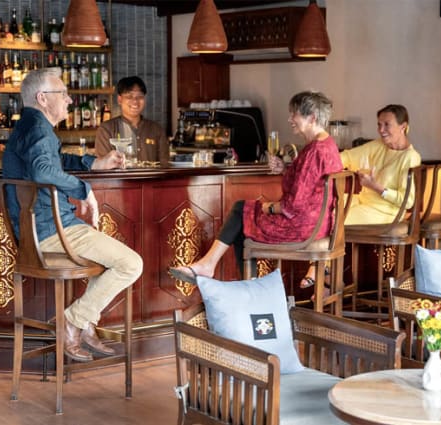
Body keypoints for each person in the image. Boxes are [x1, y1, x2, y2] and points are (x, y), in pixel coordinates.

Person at [2, 68, 143, 362]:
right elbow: (43, 170)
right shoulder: (39, 129)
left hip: (39, 232)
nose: (69, 100)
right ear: (42, 98)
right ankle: (72, 321)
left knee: (109, 263)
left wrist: (93, 163)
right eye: (63, 94)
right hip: (53, 232)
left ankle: (85, 322)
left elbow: (54, 160)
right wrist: (83, 189)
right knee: (131, 264)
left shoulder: (29, 125)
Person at [169, 91, 343, 283]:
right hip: (319, 224)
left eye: (294, 114)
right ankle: (227, 276)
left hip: (302, 228)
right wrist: (285, 170)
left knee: (241, 211)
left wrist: (269, 207)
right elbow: (309, 184)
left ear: (312, 118)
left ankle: (218, 271)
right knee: (242, 219)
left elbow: (292, 206)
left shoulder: (314, 151)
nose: (290, 119)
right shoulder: (327, 145)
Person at [300, 104, 422, 288]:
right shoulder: (378, 146)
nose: (381, 130)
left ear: (403, 126)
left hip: (387, 212)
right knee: (322, 207)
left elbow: (408, 201)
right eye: (379, 124)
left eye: (387, 124)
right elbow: (347, 157)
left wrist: (376, 187)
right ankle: (328, 276)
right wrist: (316, 164)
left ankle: (321, 270)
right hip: (363, 201)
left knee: (333, 218)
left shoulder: (411, 157)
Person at [95, 76, 169, 166]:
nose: (135, 101)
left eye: (140, 96)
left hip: (152, 176)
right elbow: (102, 166)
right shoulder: (106, 129)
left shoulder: (156, 129)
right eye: (129, 96)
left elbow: (165, 165)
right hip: (119, 176)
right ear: (119, 99)